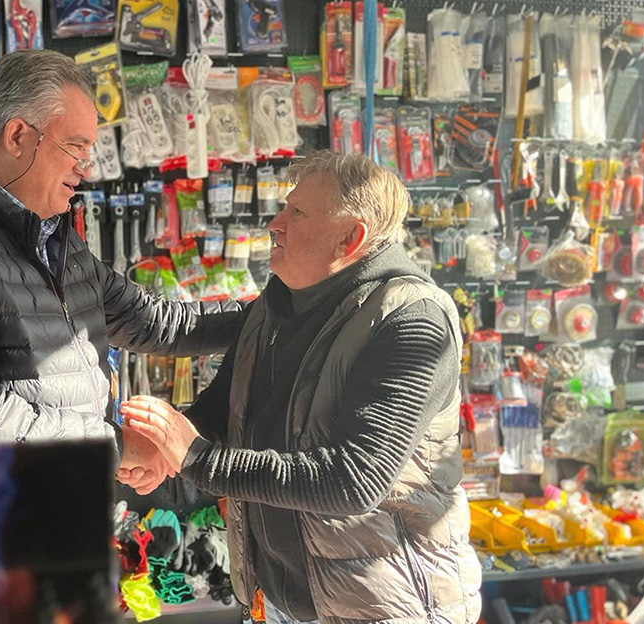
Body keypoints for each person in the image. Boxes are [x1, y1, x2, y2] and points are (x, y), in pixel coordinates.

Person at [118, 151, 482, 624]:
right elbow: (224, 410)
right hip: (280, 602)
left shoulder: (412, 321)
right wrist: (164, 450)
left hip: (385, 607)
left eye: (297, 212)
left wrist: (195, 457)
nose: (275, 223)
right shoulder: (277, 307)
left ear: (350, 238)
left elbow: (354, 480)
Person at [0, 49, 243, 487]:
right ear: (17, 136)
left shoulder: (51, 235)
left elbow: (152, 321)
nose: (87, 168)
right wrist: (115, 446)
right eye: (76, 147)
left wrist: (275, 310)